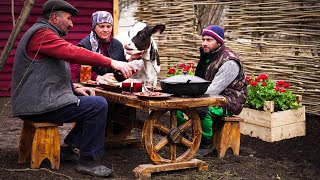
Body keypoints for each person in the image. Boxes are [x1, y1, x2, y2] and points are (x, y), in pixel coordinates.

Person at [11, 0, 135, 177]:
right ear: (55, 17)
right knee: (98, 105)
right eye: (69, 18)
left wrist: (74, 88)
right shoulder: (42, 34)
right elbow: (71, 52)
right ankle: (88, 161)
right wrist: (111, 62)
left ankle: (70, 148)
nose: (71, 23)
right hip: (38, 105)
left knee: (92, 102)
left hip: (39, 101)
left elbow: (49, 72)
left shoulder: (44, 33)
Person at [177, 25, 248, 156]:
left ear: (219, 42)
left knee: (203, 109)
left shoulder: (229, 62)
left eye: (209, 40)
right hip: (213, 95)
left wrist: (192, 96)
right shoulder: (209, 55)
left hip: (229, 101)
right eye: (203, 39)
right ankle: (181, 135)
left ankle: (206, 145)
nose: (204, 43)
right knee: (177, 105)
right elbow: (200, 80)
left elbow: (214, 90)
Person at [71, 11, 142, 83]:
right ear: (94, 28)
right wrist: (97, 77)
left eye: (108, 26)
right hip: (89, 88)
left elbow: (120, 65)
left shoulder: (117, 44)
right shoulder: (85, 45)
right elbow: (78, 71)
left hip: (111, 87)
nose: (105, 30)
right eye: (101, 26)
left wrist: (131, 59)